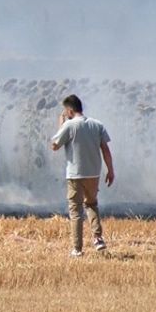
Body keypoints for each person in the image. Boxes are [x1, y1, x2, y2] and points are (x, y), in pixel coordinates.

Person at [49, 94, 114, 257]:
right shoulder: (97, 124)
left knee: (75, 211)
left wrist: (61, 125)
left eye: (65, 111)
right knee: (92, 205)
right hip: (93, 173)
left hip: (75, 174)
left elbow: (54, 146)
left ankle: (77, 249)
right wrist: (110, 170)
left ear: (69, 110)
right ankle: (98, 238)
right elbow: (105, 149)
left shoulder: (69, 125)